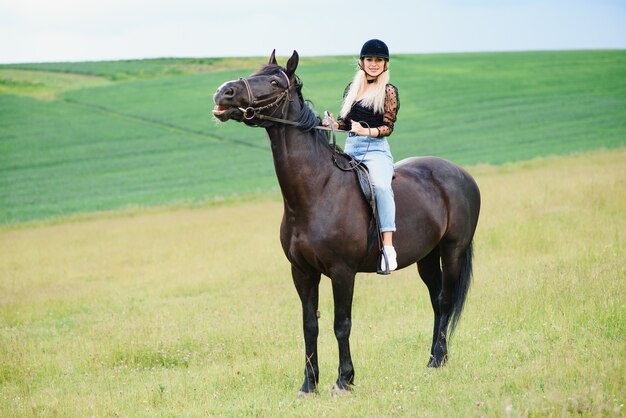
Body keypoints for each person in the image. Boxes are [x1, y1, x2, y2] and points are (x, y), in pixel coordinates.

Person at [323, 39, 400, 272]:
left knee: (381, 187)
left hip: (376, 150)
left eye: (378, 60)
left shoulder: (388, 91)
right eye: (370, 59)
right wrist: (332, 124)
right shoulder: (352, 89)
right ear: (362, 62)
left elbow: (388, 127)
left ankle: (388, 248)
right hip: (351, 148)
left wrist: (364, 130)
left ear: (385, 64)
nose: (374, 64)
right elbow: (346, 124)